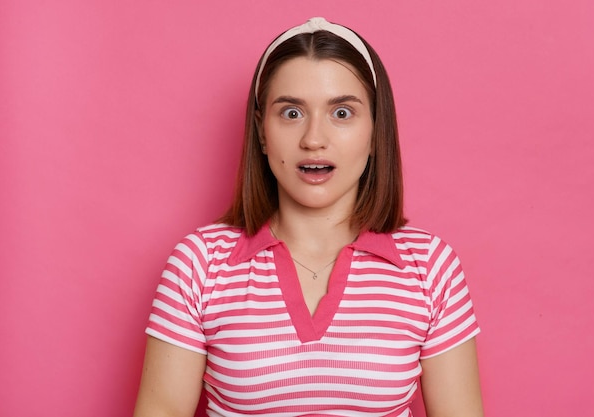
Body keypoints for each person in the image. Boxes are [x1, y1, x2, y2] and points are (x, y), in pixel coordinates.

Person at [133, 17, 484, 417]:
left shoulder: (431, 266)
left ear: (375, 131)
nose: (314, 139)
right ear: (262, 132)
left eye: (342, 113)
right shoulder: (198, 264)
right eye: (292, 113)